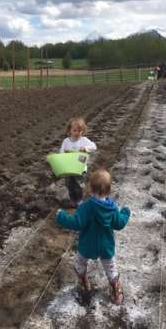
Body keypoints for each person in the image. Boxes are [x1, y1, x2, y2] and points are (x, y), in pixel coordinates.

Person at [56, 169, 130, 305]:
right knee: (111, 268)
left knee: (79, 263)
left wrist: (61, 216)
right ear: (109, 190)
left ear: (90, 189)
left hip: (87, 245)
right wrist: (125, 212)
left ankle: (84, 282)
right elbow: (119, 224)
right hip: (106, 246)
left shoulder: (85, 207)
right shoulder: (112, 209)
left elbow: (76, 223)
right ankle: (116, 289)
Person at [59, 117, 97, 207]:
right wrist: (65, 153)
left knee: (79, 185)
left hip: (80, 167)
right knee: (69, 185)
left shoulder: (84, 140)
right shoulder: (66, 141)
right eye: (75, 130)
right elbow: (61, 152)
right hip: (69, 168)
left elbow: (94, 147)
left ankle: (79, 200)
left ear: (83, 131)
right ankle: (72, 199)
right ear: (70, 130)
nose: (77, 133)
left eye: (79, 131)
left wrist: (85, 148)